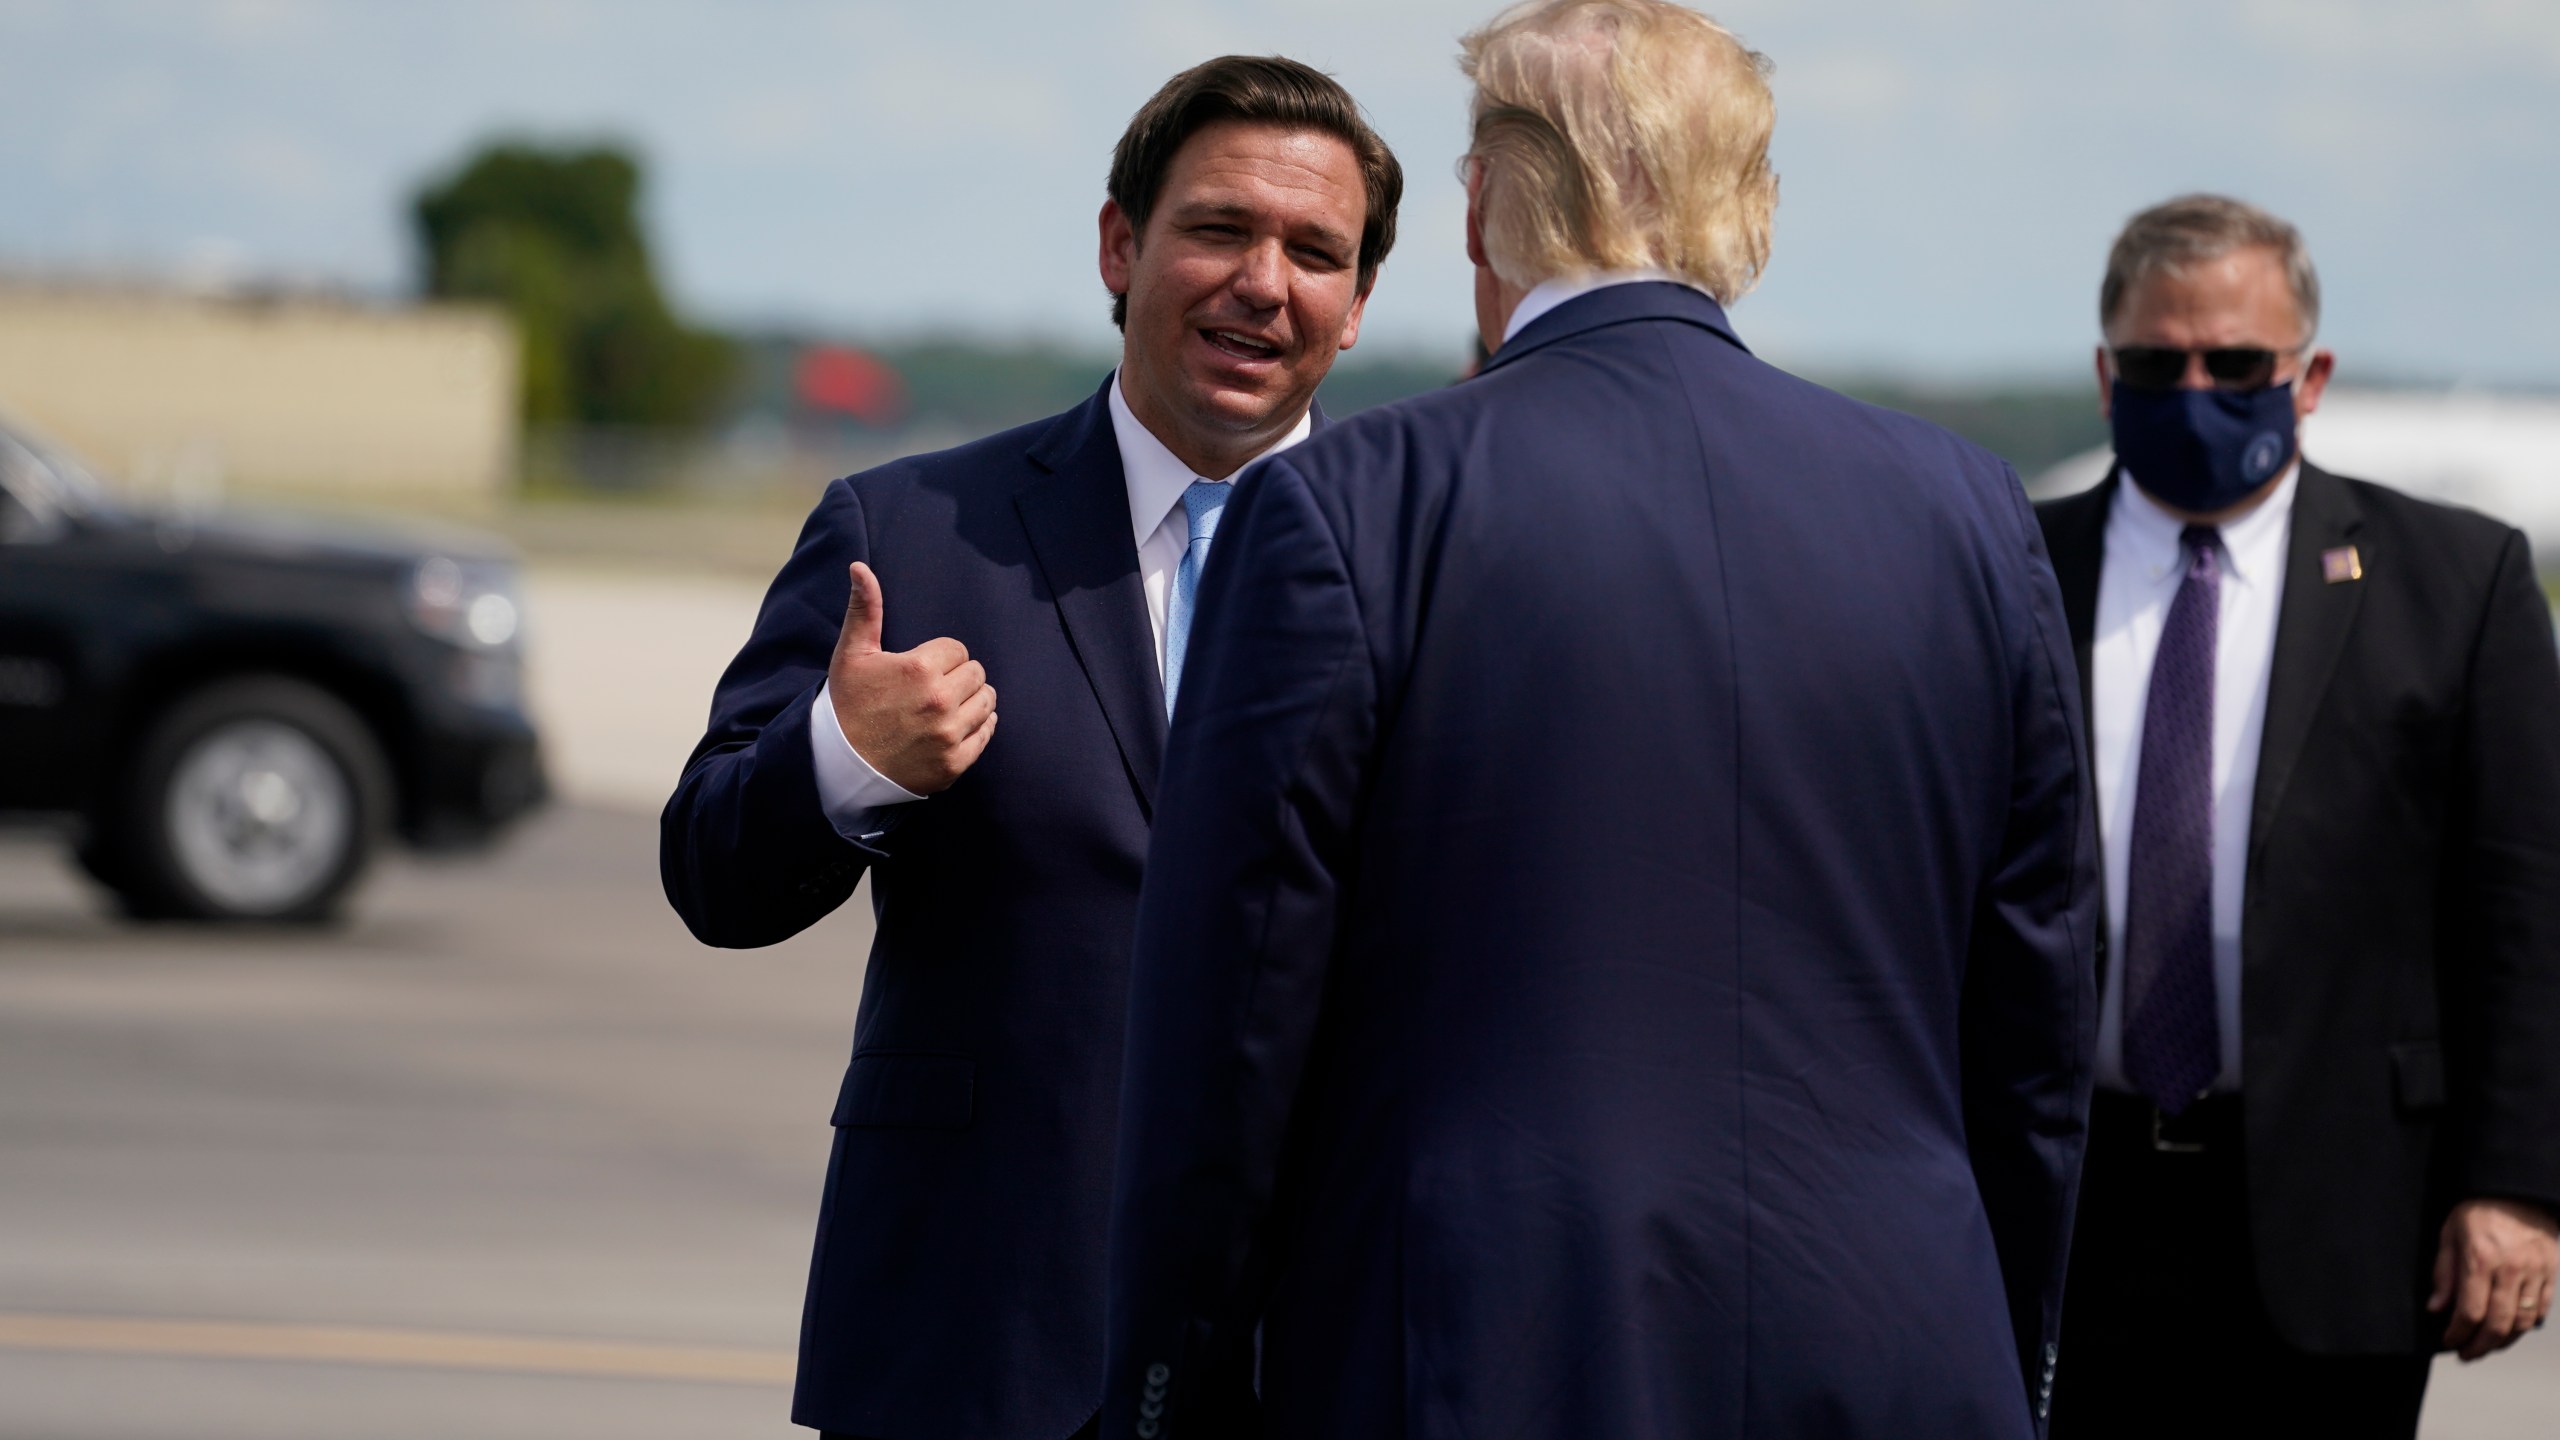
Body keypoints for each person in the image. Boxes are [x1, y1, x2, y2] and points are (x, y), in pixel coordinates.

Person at [1100, 4, 2098, 1436]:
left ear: (1485, 202)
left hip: (1482, 1350)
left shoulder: (1348, 507)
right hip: (1903, 1345)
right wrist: (2008, 1350)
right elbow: (2038, 1023)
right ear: (1751, 204)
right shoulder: (1968, 510)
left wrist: (1169, 1388)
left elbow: (1234, 1023)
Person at [659, 56, 1400, 1440]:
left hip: (1317, 1355)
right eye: (1220, 229)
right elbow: (710, 872)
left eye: (1316, 252)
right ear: (1122, 245)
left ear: (1357, 308)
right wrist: (843, 757)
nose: (1264, 281)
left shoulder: (1434, 561)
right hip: (976, 1340)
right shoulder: (911, 530)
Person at [2037, 194, 2560, 1439]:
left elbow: (2523, 904)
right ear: (2107, 376)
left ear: (2308, 374)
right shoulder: (2009, 564)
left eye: (2236, 364)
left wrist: (2518, 1187)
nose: (2197, 388)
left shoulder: (2455, 581)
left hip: (2343, 1210)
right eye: (2160, 365)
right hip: (2068, 1205)